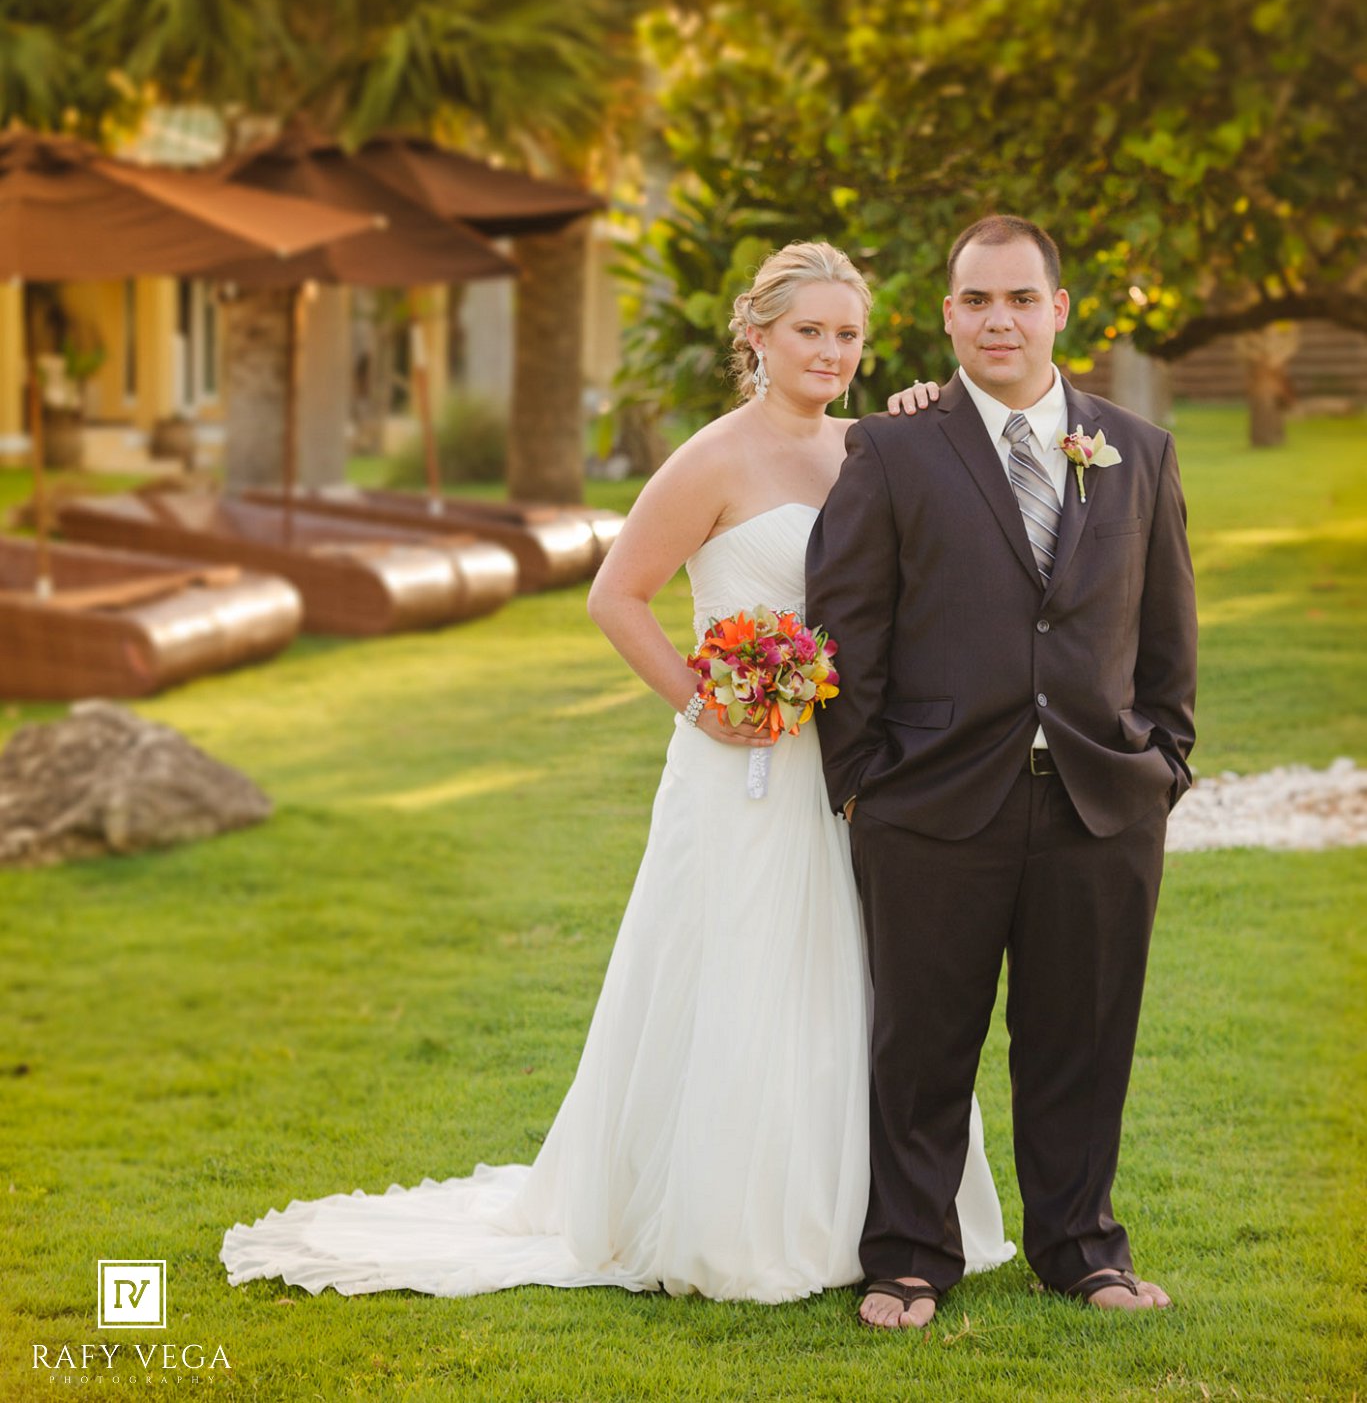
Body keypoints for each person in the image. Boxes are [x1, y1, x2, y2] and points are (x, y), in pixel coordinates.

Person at [220, 240, 1014, 1303]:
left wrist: (929, 405)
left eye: (848, 334)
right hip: (739, 769)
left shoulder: (873, 447)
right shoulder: (711, 460)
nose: (832, 351)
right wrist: (705, 702)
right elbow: (614, 596)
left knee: (864, 985)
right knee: (744, 973)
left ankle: (871, 1218)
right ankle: (729, 1221)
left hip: (856, 761)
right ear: (755, 337)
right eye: (808, 331)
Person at [808, 215, 1197, 1332]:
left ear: (1058, 310)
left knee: (1082, 1039)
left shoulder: (1137, 448)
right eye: (975, 301)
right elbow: (847, 626)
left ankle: (1080, 1248)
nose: (998, 320)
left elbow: (1167, 634)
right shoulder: (889, 450)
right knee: (920, 1042)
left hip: (1099, 800)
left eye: (1019, 299)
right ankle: (909, 1257)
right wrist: (863, 781)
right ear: (946, 316)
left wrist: (1159, 760)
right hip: (929, 800)